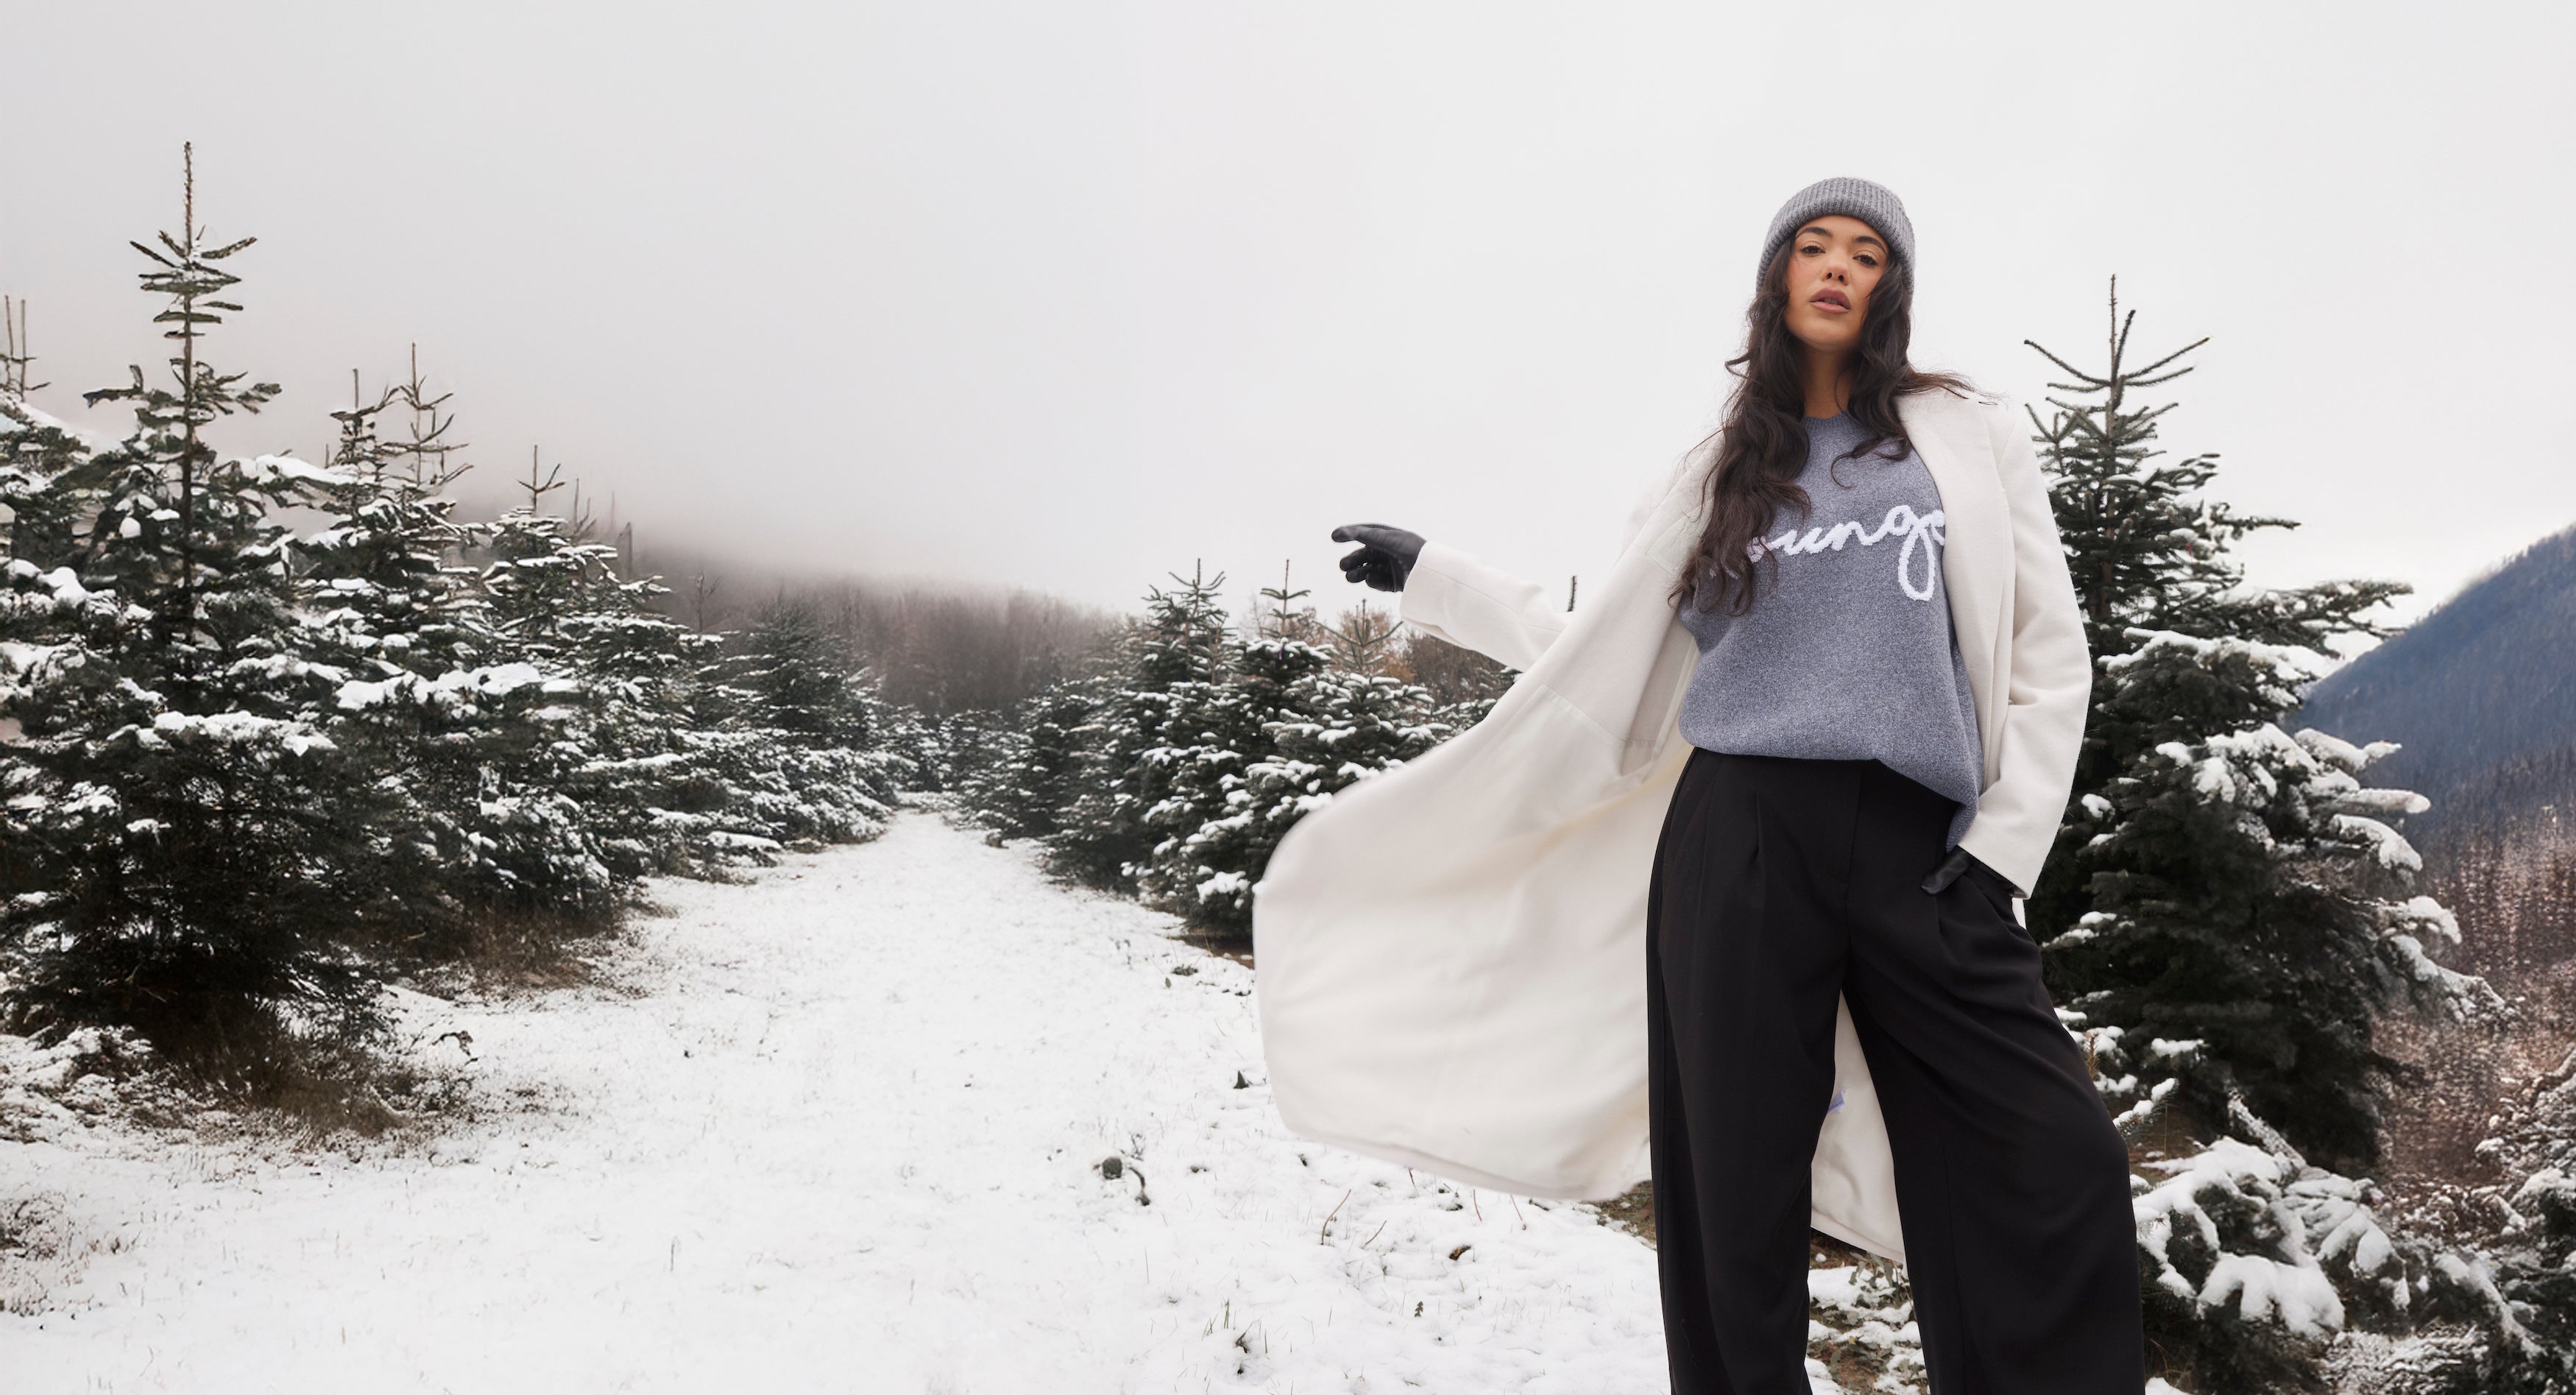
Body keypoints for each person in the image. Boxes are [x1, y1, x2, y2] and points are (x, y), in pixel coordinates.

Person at [1256, 177, 2145, 1393]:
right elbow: (1604, 652)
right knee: (1732, 1190)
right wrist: (1442, 581)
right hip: (1739, 833)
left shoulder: (1964, 439)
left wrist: (1999, 858)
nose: (1838, 266)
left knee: (2055, 1155)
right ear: (1779, 275)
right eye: (1814, 245)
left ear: (1891, 289)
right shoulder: (1719, 469)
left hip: (1925, 854)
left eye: (1867, 252)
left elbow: (2048, 652)